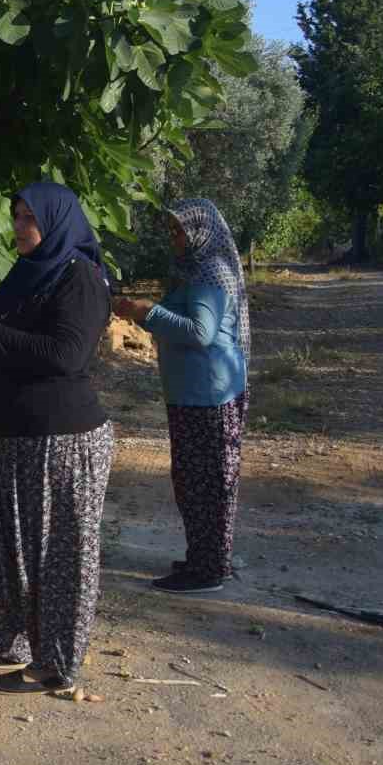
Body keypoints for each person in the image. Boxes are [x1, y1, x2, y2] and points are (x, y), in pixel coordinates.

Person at [0, 182, 114, 695]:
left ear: (55, 221)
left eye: (27, 218)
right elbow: (10, 344)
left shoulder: (80, 277)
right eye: (15, 216)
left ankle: (56, 663)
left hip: (63, 442)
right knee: (4, 549)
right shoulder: (29, 273)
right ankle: (11, 641)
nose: (17, 227)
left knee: (58, 558)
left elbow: (67, 355)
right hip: (14, 437)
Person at [113, 199, 250, 595]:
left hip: (209, 394)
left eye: (180, 230)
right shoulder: (189, 269)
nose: (175, 238)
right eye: (171, 230)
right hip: (191, 393)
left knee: (208, 482)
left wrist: (147, 313)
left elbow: (200, 333)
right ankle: (204, 557)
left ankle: (209, 570)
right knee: (191, 480)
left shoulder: (209, 271)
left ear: (201, 231)